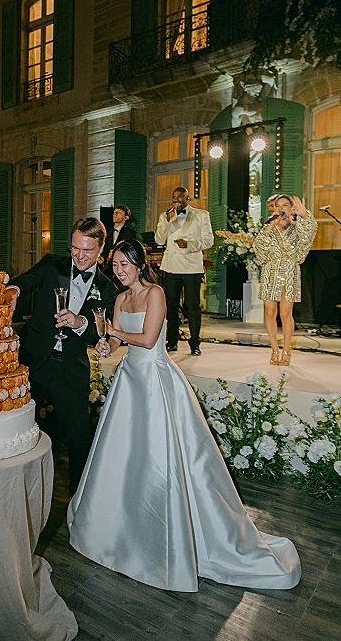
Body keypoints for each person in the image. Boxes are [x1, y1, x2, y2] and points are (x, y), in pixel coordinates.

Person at [67, 239, 301, 592]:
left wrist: (115, 333)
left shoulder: (156, 293)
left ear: (139, 264)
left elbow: (146, 340)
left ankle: (170, 532)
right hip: (129, 380)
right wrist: (106, 344)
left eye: (124, 264)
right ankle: (121, 528)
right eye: (114, 265)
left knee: (163, 459)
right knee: (123, 458)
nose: (119, 270)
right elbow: (119, 342)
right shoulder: (118, 299)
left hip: (156, 381)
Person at [5, 218, 118, 495]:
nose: (79, 256)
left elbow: (99, 333)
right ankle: (12, 490)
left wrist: (80, 322)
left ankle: (79, 499)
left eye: (87, 250)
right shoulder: (52, 264)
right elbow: (28, 280)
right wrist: (13, 290)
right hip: (34, 361)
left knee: (79, 439)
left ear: (102, 248)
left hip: (70, 369)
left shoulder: (107, 288)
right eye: (75, 248)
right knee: (19, 429)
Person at [254, 195, 317, 365]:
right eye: (277, 206)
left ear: (291, 208)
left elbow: (308, 236)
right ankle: (274, 350)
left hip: (290, 271)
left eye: (285, 205)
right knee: (270, 312)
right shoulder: (269, 227)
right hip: (270, 271)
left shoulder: (298, 228)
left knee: (285, 313)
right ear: (273, 209)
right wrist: (268, 228)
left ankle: (287, 350)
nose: (281, 208)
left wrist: (304, 215)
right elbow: (259, 250)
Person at [155, 187, 213, 355]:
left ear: (188, 198)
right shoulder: (165, 216)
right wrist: (167, 221)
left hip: (192, 266)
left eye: (180, 197)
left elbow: (209, 240)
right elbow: (159, 239)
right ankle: (171, 340)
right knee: (171, 306)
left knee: (192, 305)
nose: (177, 200)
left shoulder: (201, 215)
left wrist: (190, 245)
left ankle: (195, 343)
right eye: (174, 197)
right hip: (171, 266)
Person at [103, 204, 137, 289]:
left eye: (119, 212)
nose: (115, 214)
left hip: (122, 270)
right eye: (114, 212)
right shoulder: (107, 232)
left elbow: (129, 250)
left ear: (126, 217)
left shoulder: (130, 232)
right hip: (108, 270)